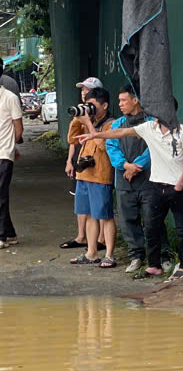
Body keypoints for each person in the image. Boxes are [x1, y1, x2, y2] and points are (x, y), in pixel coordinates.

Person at [76, 104, 183, 278]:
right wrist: (96, 134)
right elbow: (121, 133)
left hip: (177, 188)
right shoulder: (149, 128)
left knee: (182, 229)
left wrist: (180, 184)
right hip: (155, 185)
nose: (154, 114)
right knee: (151, 227)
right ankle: (154, 266)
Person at [67, 86, 117, 267]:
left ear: (105, 105)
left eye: (93, 106)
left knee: (105, 216)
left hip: (101, 176)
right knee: (88, 215)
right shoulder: (88, 120)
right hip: (84, 175)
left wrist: (89, 124)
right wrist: (77, 119)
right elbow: (72, 140)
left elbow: (104, 147)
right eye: (87, 105)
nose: (90, 109)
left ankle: (109, 255)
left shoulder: (111, 123)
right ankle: (91, 253)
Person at [106, 87, 154, 273]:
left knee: (152, 219)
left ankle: (158, 256)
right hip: (124, 179)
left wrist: (137, 166)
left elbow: (153, 147)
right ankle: (136, 256)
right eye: (119, 101)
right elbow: (111, 146)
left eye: (124, 100)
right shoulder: (118, 124)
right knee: (128, 220)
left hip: (148, 179)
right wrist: (126, 166)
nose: (120, 104)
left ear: (135, 101)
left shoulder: (151, 122)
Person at [60, 77, 100, 251]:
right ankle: (81, 236)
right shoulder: (81, 112)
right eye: (82, 90)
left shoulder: (100, 115)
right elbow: (73, 140)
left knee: (96, 202)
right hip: (80, 159)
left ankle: (99, 239)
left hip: (95, 162)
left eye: (87, 90)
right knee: (80, 199)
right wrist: (70, 160)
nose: (84, 92)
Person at [0, 73, 20, 249]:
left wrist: (13, 147)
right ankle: (10, 233)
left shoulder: (10, 98)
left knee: (1, 195)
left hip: (4, 153)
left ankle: (2, 236)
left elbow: (18, 128)